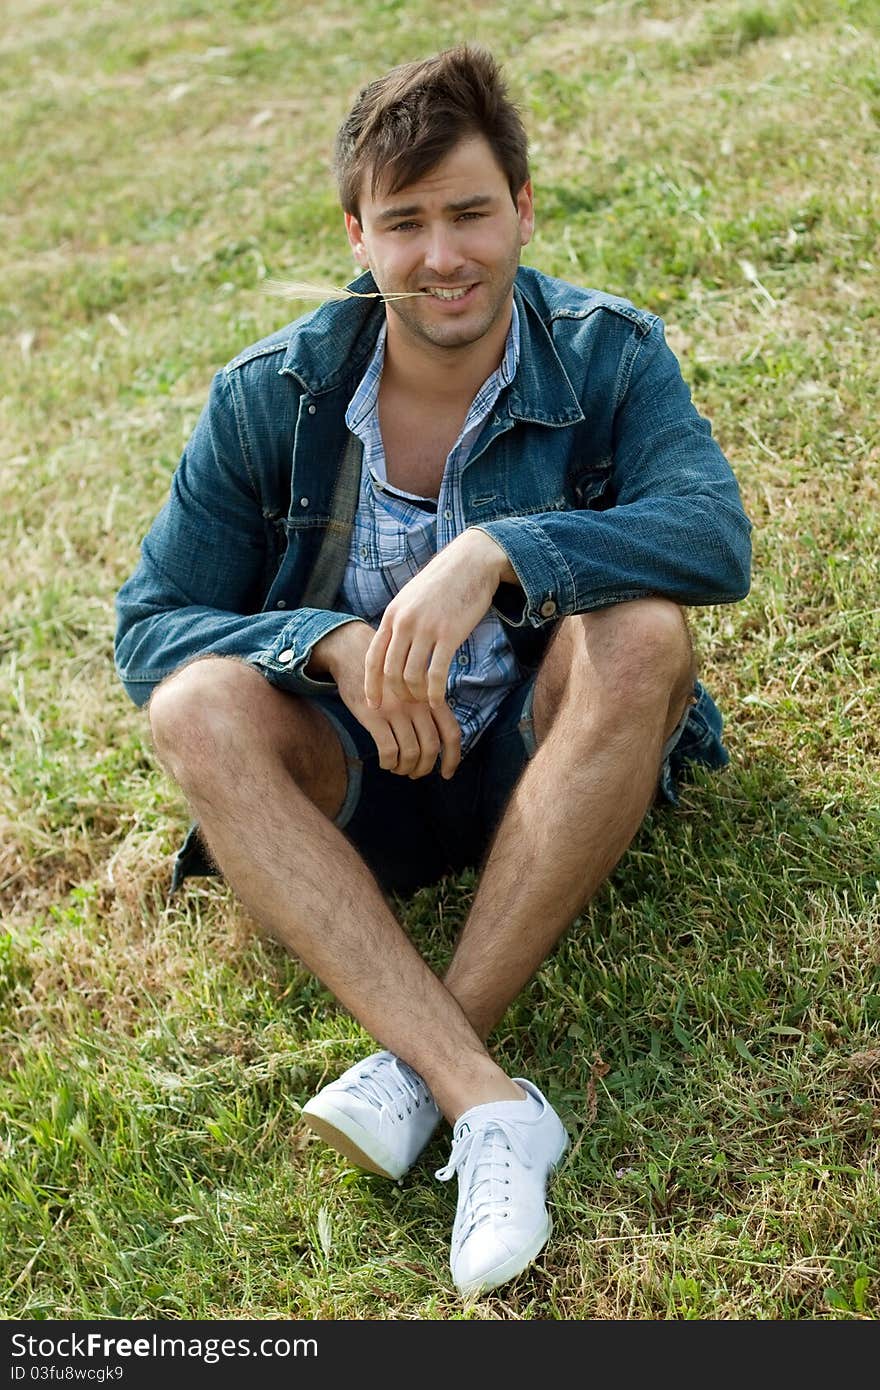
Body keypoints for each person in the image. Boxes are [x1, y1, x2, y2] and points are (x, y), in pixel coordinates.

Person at [114, 45, 751, 1299]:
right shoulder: (270, 395)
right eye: (404, 222)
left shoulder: (609, 356)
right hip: (354, 804)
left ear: (523, 206)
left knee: (643, 634)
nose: (441, 254)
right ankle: (487, 1100)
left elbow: (713, 536)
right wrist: (323, 643)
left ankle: (420, 1071)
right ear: (357, 234)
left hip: (549, 771)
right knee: (194, 705)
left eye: (468, 211)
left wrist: (501, 548)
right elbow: (150, 631)